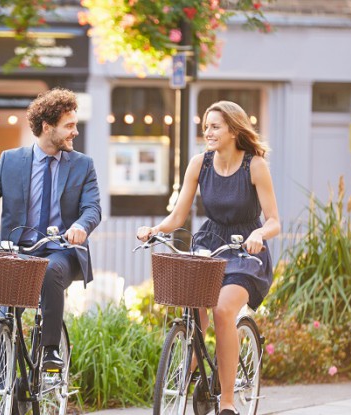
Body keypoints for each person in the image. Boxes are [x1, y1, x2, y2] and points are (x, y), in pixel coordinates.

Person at [137, 101, 280, 415]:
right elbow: (178, 216)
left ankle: (227, 402)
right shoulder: (199, 163)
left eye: (215, 126)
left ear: (232, 129)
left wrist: (259, 235)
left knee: (222, 309)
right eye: (205, 127)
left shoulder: (254, 165)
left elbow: (274, 221)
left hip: (245, 250)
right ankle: (191, 366)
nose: (208, 132)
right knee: (194, 307)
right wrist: (154, 228)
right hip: (210, 244)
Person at [0, 87, 101, 371]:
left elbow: (92, 208)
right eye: (69, 126)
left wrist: (81, 226)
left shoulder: (83, 165)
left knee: (49, 269)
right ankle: (4, 374)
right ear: (47, 127)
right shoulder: (11, 160)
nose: (75, 132)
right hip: (15, 249)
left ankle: (49, 350)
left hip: (61, 251)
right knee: (3, 317)